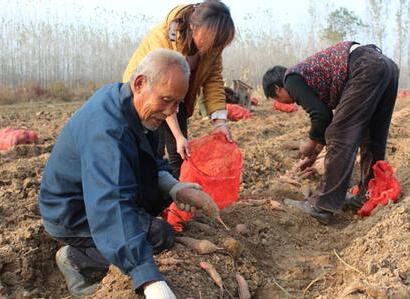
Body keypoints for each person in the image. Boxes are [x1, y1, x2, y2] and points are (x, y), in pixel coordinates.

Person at [39, 49, 211, 299]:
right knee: (158, 234)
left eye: (177, 103)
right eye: (166, 100)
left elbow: (149, 162)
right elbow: (111, 206)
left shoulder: (138, 109)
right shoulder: (107, 131)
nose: (170, 111)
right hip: (72, 214)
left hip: (93, 200)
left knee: (153, 222)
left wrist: (176, 188)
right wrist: (149, 278)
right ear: (140, 83)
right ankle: (76, 260)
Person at [262, 41, 399, 224]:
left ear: (277, 89)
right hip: (386, 67)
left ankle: (322, 205)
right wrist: (316, 151)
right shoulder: (309, 78)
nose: (286, 104)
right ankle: (368, 193)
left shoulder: (291, 78)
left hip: (365, 66)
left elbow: (321, 115)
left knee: (339, 135)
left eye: (278, 98)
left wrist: (309, 144)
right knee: (372, 136)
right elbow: (326, 117)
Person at [122, 0, 235, 178]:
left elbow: (213, 81)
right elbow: (163, 91)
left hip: (177, 98)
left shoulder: (213, 48)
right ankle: (148, 196)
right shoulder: (163, 37)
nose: (215, 48)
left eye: (220, 44)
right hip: (149, 97)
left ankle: (176, 197)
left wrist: (220, 123)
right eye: (213, 41)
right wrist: (178, 135)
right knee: (152, 149)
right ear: (193, 26)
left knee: (180, 153)